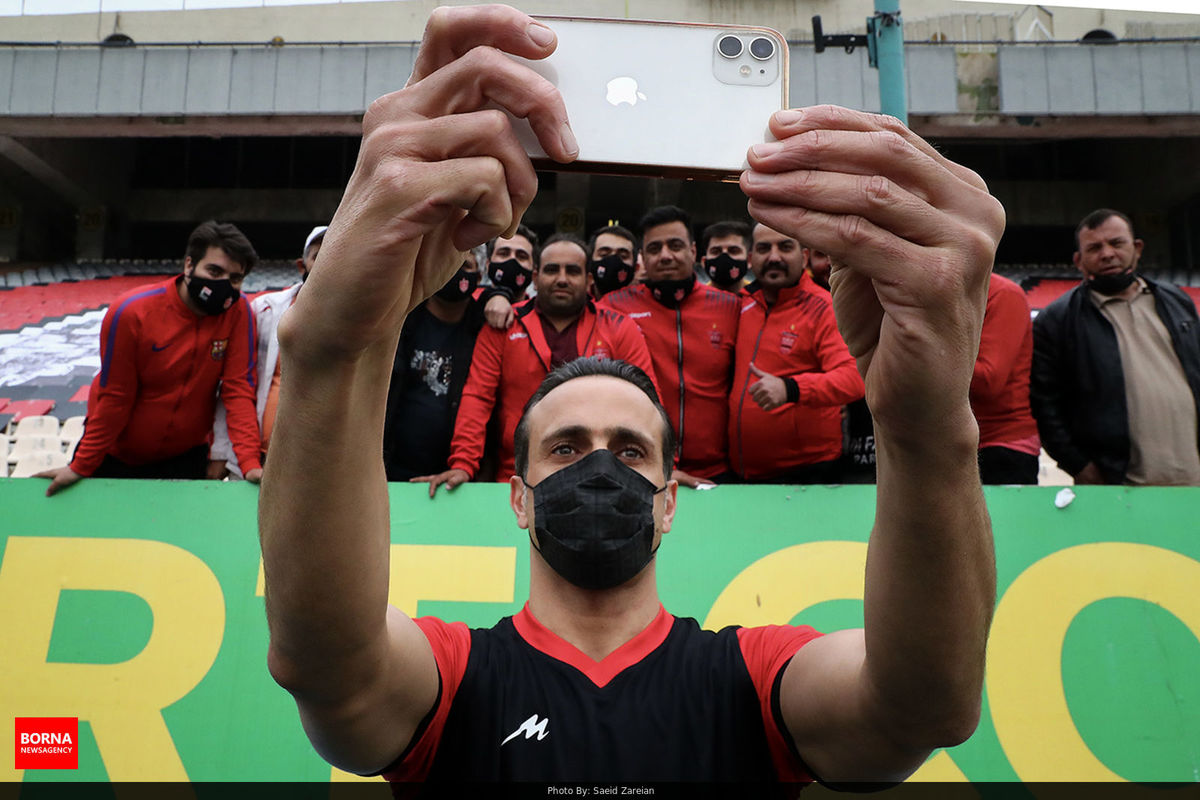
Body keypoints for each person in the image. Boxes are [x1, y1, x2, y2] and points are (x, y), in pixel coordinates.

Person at [258, 3, 1002, 787]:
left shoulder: (751, 677)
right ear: (517, 496)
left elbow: (921, 707)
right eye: (567, 447)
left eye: (632, 449)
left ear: (670, 497)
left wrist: (926, 426)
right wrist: (333, 354)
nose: (600, 467)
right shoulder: (451, 678)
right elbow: (326, 664)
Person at [37, 220, 263, 496]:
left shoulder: (239, 312)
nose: (223, 285)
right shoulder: (132, 312)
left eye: (235, 278)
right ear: (189, 265)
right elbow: (115, 395)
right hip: (116, 455)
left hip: (185, 458)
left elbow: (237, 389)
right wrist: (82, 465)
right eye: (214, 271)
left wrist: (249, 463)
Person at [416, 233, 656, 491]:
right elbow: (478, 396)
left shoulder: (619, 327)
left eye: (572, 271)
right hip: (518, 475)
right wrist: (463, 463)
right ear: (535, 277)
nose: (562, 279)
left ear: (588, 279)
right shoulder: (505, 326)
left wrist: (661, 463)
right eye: (552, 270)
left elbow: (646, 400)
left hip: (603, 474)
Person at [1031, 208, 1200, 486]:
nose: (1107, 253)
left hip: (1192, 475)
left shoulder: (1176, 301)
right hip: (1117, 483)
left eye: (1117, 243)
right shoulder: (1057, 321)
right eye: (1094, 248)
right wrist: (1079, 466)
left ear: (1137, 248)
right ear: (1079, 261)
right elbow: (1045, 405)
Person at [600, 206, 739, 487]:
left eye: (675, 245)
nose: (665, 255)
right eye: (654, 248)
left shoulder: (731, 307)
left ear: (693, 250)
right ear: (643, 258)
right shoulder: (613, 307)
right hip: (642, 465)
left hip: (721, 470)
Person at [729, 224, 865, 483]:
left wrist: (791, 389)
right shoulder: (742, 303)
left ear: (803, 257)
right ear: (750, 259)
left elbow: (854, 380)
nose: (774, 257)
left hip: (807, 472)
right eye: (763, 248)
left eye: (785, 246)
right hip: (744, 474)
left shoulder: (823, 307)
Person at [210, 224, 326, 479]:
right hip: (258, 459)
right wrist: (221, 451)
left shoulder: (365, 321)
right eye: (319, 255)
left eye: (336, 253)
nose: (329, 262)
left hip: (322, 466)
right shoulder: (264, 310)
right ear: (301, 265)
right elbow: (236, 385)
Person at [382, 244, 488, 481]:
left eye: (466, 265)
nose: (455, 272)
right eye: (449, 263)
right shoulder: (401, 321)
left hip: (459, 477)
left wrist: (499, 295)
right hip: (393, 470)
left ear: (480, 275)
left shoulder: (485, 326)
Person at [972, 273, 1040, 484]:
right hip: (951, 444)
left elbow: (988, 382)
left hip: (1001, 444)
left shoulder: (1003, 293)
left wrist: (925, 353)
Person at [482, 225, 539, 330]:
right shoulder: (467, 307)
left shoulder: (541, 317)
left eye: (522, 256)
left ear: (534, 271)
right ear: (488, 265)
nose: (512, 259)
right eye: (503, 254)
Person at [699, 219, 752, 294]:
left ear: (749, 260)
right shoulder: (693, 301)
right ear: (704, 262)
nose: (724, 257)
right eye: (716, 251)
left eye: (733, 251)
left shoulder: (761, 300)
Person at [587, 223, 638, 299]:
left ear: (636, 268)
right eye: (604, 255)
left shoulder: (648, 308)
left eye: (623, 256)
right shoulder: (575, 307)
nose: (613, 260)